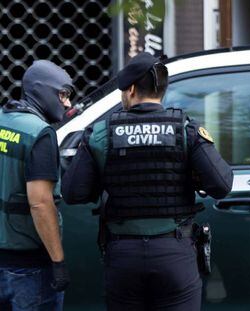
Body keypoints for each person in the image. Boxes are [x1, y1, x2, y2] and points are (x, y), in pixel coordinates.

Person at [61, 52, 233, 310]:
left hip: (123, 258)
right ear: (161, 91)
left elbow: (73, 193)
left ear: (130, 89)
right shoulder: (185, 130)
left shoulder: (101, 134)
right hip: (174, 254)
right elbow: (221, 185)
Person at [0, 60, 73, 310]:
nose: (67, 103)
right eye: (63, 94)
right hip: (29, 268)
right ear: (43, 90)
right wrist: (58, 262)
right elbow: (41, 203)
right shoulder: (40, 134)